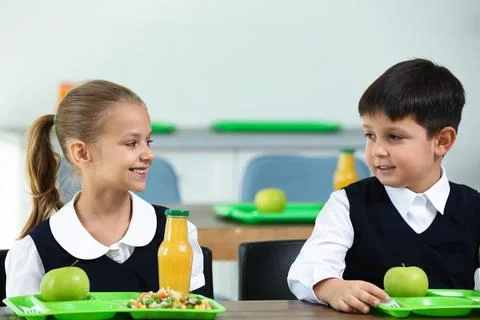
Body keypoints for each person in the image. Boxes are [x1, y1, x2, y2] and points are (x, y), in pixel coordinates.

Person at [288, 58, 480, 313]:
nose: (377, 150)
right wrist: (332, 287)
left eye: (395, 137)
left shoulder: (473, 207)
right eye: (370, 135)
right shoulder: (347, 204)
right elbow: (307, 269)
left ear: (442, 141)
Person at [5, 80, 206, 297]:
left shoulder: (177, 234)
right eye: (131, 143)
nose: (148, 154)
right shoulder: (34, 252)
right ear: (81, 153)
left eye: (149, 141)